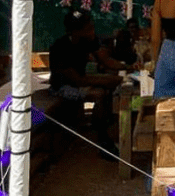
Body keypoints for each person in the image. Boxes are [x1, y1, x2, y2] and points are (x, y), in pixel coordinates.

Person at [49, 9, 126, 155]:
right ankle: (103, 141)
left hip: (79, 82)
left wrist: (128, 67)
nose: (92, 31)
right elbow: (78, 80)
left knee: (107, 86)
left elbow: (106, 61)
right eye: (88, 29)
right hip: (62, 86)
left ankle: (105, 125)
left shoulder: (88, 41)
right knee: (98, 94)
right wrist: (109, 80)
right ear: (75, 31)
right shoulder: (60, 48)